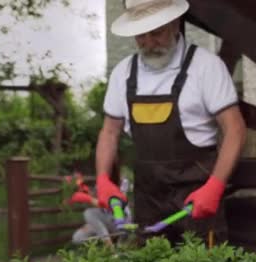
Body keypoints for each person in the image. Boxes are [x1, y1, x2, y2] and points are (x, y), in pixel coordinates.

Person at [94, 0, 246, 245]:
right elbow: (109, 132)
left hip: (197, 197)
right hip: (148, 200)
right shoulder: (123, 73)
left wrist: (215, 186)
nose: (149, 43)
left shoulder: (206, 67)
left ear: (174, 24)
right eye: (140, 35)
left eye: (156, 33)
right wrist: (103, 179)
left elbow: (235, 129)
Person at [68, 177, 132, 246]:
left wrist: (88, 199)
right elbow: (96, 213)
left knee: (88, 213)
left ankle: (109, 246)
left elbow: (111, 205)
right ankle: (105, 242)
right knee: (77, 238)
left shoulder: (112, 184)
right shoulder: (94, 189)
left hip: (119, 221)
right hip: (104, 223)